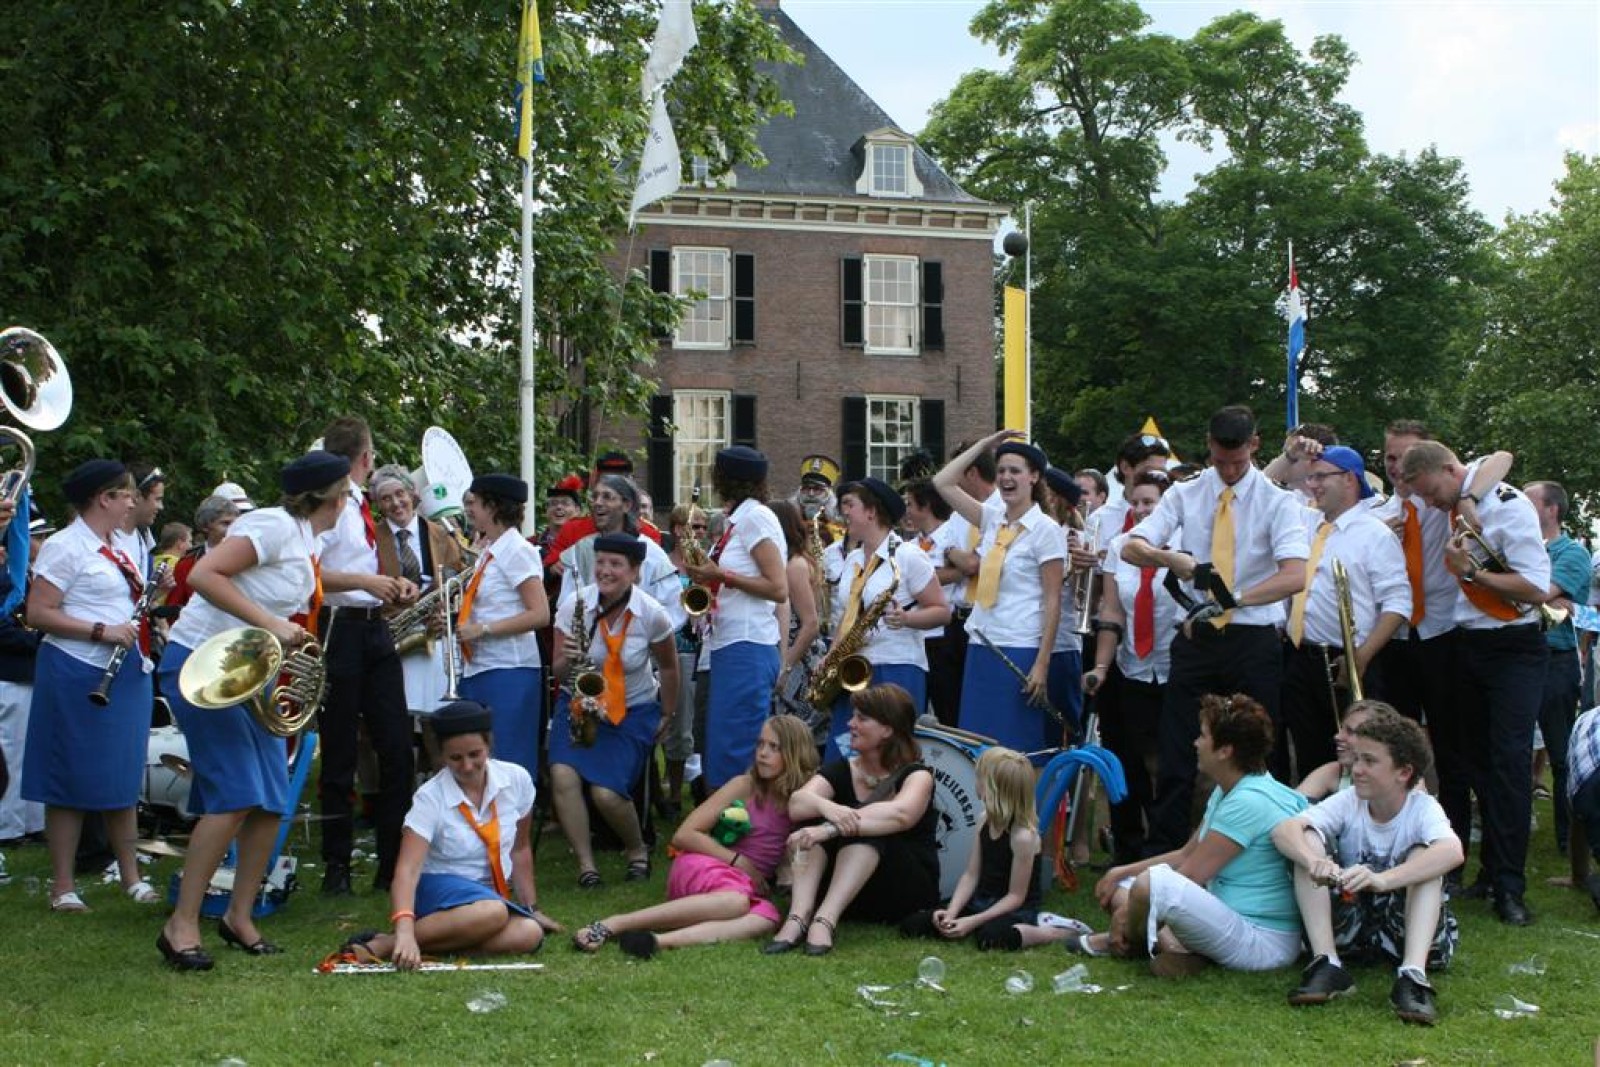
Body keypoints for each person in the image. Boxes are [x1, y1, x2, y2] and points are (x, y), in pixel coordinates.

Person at [155, 450, 350, 970]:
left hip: (243, 673)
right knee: (236, 793)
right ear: (330, 497)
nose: (351, 501)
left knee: (269, 798)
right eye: (348, 493)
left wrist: (365, 585)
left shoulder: (305, 536)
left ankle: (239, 916)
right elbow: (204, 574)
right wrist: (273, 623)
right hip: (201, 665)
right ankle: (181, 923)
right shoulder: (272, 525)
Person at [1122, 405, 1309, 852]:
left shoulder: (1278, 501)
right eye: (1220, 461)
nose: (1228, 471)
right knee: (1177, 748)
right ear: (1208, 445)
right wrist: (1170, 558)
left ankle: (1268, 847)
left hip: (1252, 637)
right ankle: (1165, 852)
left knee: (1261, 750)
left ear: (1255, 446)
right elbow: (1130, 547)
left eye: (1237, 462)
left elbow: (1294, 575)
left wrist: (1232, 599)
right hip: (1198, 639)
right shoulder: (1185, 494)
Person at [1401, 440, 1549, 925]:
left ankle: (1510, 886)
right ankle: (1486, 872)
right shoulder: (1462, 499)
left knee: (1509, 764)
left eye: (1434, 493)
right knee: (1476, 764)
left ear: (1449, 470)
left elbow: (1534, 588)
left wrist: (1474, 574)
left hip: (1513, 646)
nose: (1433, 504)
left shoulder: (1507, 505)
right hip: (1467, 645)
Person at [1076, 694, 1308, 976]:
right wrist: (1120, 872)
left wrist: (1124, 916)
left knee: (1149, 886)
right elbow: (1187, 853)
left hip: (1261, 939)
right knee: (1126, 887)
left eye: (1203, 736)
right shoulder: (1231, 787)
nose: (1196, 743)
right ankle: (1178, 949)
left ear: (1225, 751)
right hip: (1232, 921)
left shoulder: (1249, 800)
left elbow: (1189, 875)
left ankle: (1135, 944)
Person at [21, 460, 158, 912]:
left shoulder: (121, 543)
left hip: (126, 672)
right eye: (126, 495)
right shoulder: (65, 546)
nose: (132, 503)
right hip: (77, 668)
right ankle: (63, 885)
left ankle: (130, 877)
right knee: (69, 775)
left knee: (122, 774)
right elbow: (38, 612)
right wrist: (100, 630)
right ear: (104, 498)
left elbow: (122, 603)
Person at [336, 700, 559, 969]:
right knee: (494, 911)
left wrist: (532, 909)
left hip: (488, 897)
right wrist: (404, 929)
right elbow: (407, 870)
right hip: (439, 891)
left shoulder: (517, 779)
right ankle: (389, 944)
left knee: (530, 933)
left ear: (489, 746)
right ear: (441, 755)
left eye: (475, 754)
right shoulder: (429, 797)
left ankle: (424, 942)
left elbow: (520, 849)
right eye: (455, 758)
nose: (467, 766)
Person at [572, 715, 818, 958]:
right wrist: (740, 862)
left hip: (745, 886)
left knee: (766, 918)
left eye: (774, 747)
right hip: (709, 865)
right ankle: (615, 924)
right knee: (736, 903)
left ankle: (658, 941)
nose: (762, 753)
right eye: (760, 744)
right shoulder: (745, 785)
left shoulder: (802, 798)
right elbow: (684, 835)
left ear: (795, 753)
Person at [1274, 708, 1462, 1026]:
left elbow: (1453, 851)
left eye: (1370, 761)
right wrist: (1313, 860)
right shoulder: (1350, 799)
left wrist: (1383, 880)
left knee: (1425, 854)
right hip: (1353, 928)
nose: (1357, 769)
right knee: (1307, 838)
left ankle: (1413, 975)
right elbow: (1284, 830)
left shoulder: (1422, 808)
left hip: (1407, 932)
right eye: (1358, 759)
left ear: (1404, 772)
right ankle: (1327, 963)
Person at [315, 416, 420, 896]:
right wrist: (367, 582)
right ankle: (336, 865)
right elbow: (309, 570)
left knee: (397, 747)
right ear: (365, 456)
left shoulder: (359, 502)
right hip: (338, 629)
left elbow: (357, 570)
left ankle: (392, 863)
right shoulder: (330, 502)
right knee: (339, 752)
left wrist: (391, 586)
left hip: (375, 628)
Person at [766, 684, 939, 955]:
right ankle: (798, 917)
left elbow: (900, 815)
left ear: (887, 730)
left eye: (862, 718)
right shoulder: (842, 769)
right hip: (850, 888)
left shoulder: (918, 775)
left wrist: (831, 829)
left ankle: (824, 921)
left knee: (865, 830)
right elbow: (797, 804)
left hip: (902, 889)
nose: (850, 724)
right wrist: (828, 808)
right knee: (809, 823)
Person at [547, 533, 676, 886]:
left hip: (631, 708)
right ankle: (586, 865)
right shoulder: (574, 605)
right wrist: (568, 658)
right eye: (600, 562)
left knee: (606, 793)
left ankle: (636, 849)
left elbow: (668, 667)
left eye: (615, 564)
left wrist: (667, 713)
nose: (604, 570)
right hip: (579, 702)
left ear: (634, 571)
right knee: (562, 775)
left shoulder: (652, 614)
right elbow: (558, 672)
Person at [1279, 446, 1410, 782]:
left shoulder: (1375, 534)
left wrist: (1360, 657)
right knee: (1309, 758)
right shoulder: (1305, 523)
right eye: (1311, 477)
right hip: (1300, 656)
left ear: (1349, 479)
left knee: (1358, 758)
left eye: (1321, 477)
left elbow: (1398, 603)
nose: (1312, 485)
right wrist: (1290, 454)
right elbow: (1263, 487)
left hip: (1349, 660)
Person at [934, 431, 1067, 753]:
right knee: (977, 742)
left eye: (1015, 471)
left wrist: (1042, 664)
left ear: (1034, 477)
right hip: (982, 642)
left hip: (1019, 646)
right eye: (1002, 470)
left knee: (1015, 747)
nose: (1006, 477)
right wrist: (983, 446)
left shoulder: (1046, 530)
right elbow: (943, 482)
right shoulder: (992, 518)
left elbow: (1053, 601)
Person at [1085, 469, 1178, 863]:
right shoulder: (1118, 547)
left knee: (1171, 765)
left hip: (1175, 669)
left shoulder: (1185, 546)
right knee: (1130, 759)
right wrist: (1101, 667)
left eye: (1149, 502)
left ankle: (1169, 847)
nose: (1140, 510)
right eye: (1135, 502)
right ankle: (1129, 848)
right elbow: (1112, 611)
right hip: (1133, 667)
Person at [683, 446, 787, 790]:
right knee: (722, 749)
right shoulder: (740, 520)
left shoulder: (755, 518)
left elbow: (778, 587)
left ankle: (742, 821)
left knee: (736, 751)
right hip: (731, 645)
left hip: (747, 645)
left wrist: (722, 575)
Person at [822, 478, 948, 751]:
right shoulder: (853, 559)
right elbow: (849, 615)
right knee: (842, 755)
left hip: (895, 667)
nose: (844, 512)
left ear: (871, 511)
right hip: (852, 670)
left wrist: (907, 619)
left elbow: (942, 611)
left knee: (889, 756)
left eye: (850, 505)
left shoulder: (908, 556)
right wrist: (831, 656)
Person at [899, 746, 1055, 950]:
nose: (976, 782)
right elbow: (971, 875)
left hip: (1012, 910)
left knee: (991, 938)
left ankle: (1049, 931)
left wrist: (973, 921)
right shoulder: (984, 820)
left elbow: (1016, 897)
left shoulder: (1023, 837)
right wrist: (952, 912)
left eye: (980, 777)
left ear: (993, 787)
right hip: (981, 902)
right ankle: (970, 921)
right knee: (913, 925)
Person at [451, 474, 549, 778]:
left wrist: (482, 629)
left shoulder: (517, 550)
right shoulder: (490, 551)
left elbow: (540, 614)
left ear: (492, 507)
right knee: (485, 763)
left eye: (476, 503)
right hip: (481, 667)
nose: (470, 510)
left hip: (509, 669)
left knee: (509, 762)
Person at [368, 464, 465, 726]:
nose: (395, 503)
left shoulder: (442, 534)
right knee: (392, 720)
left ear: (413, 494)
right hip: (391, 636)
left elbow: (456, 583)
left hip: (434, 636)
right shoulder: (370, 538)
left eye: (400, 494)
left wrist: (447, 615)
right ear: (378, 504)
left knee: (436, 721)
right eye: (386, 498)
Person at [1524, 481, 1590, 856]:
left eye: (1529, 502)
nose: (1520, 507)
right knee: (1514, 750)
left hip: (1556, 659)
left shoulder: (1572, 553)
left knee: (1562, 756)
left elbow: (1540, 593)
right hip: (1521, 655)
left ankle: (1570, 839)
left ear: (1551, 510)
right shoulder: (1522, 548)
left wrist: (1513, 584)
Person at [928, 441, 998, 728]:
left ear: (970, 473)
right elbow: (933, 570)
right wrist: (957, 559)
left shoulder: (1000, 510)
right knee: (949, 706)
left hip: (985, 622)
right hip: (955, 621)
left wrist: (951, 553)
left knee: (980, 706)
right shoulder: (956, 517)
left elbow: (972, 565)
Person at [556, 474, 680, 617]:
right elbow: (567, 605)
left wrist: (642, 627)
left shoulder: (652, 553)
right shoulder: (580, 550)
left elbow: (673, 609)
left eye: (607, 497)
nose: (597, 503)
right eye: (595, 497)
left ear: (627, 505)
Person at [0, 508, 48, 847]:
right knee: (11, 753)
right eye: (36, 536)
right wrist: (38, 641)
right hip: (9, 670)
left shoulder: (29, 575)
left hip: (28, 671)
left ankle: (32, 822)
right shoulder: (9, 575)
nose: (41, 543)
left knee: (30, 753)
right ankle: (7, 827)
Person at [661, 502, 708, 814]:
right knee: (664, 721)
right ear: (678, 529)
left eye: (703, 527)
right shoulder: (662, 564)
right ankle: (663, 788)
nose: (700, 532)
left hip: (693, 649)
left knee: (685, 723)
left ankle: (680, 793)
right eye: (695, 526)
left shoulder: (707, 564)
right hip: (664, 647)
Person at [770, 500, 827, 747]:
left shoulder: (795, 566)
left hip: (799, 659)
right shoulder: (794, 561)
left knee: (793, 737)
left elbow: (810, 623)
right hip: (793, 654)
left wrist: (786, 666)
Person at [902, 479, 958, 727]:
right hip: (918, 634)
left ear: (925, 507)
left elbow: (962, 571)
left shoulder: (952, 535)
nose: (906, 511)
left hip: (945, 634)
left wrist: (918, 581)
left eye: (910, 504)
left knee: (947, 707)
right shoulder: (911, 545)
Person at [165, 495, 242, 614]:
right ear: (206, 526)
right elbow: (173, 610)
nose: (232, 529)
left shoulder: (247, 559)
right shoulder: (187, 564)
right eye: (226, 523)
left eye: (235, 523)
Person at [1296, 699, 1381, 802]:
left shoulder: (1392, 780)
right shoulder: (1335, 771)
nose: (1337, 737)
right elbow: (1292, 806)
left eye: (1350, 731)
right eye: (1341, 729)